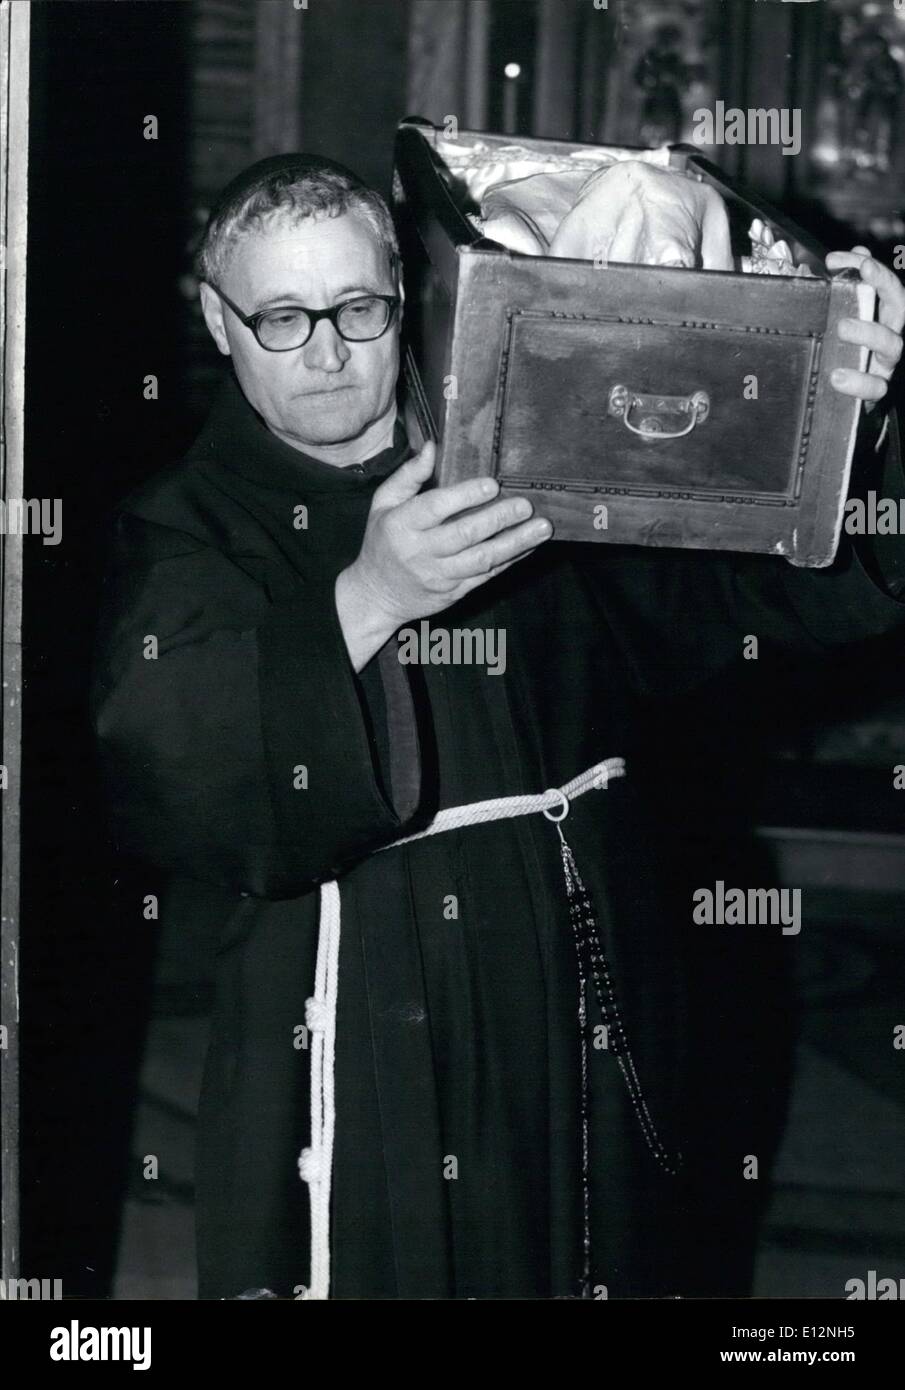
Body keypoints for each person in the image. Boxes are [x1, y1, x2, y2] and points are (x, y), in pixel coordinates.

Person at [91, 153, 905, 1301]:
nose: (325, 350)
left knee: (598, 1247)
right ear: (219, 324)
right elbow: (171, 771)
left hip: (588, 943)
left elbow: (759, 589)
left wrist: (857, 419)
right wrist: (368, 595)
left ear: (407, 295)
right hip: (365, 984)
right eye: (280, 317)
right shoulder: (181, 525)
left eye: (356, 307)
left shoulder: (525, 454)